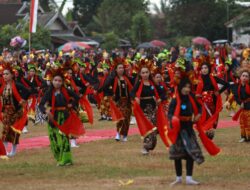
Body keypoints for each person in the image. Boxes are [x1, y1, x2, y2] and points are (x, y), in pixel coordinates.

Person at [39, 68, 80, 166]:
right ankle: (60, 158)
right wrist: (46, 111)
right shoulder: (49, 92)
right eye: (55, 80)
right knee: (55, 139)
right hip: (53, 118)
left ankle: (66, 160)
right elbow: (41, 104)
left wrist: (71, 104)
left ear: (62, 82)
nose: (57, 83)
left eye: (59, 81)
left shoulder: (66, 90)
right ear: (52, 81)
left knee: (64, 138)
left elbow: (77, 97)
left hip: (64, 116)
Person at [168, 78, 204, 186]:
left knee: (190, 153)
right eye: (185, 87)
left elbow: (199, 107)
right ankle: (178, 178)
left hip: (188, 129)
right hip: (178, 130)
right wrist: (173, 119)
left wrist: (199, 114)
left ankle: (189, 178)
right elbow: (169, 114)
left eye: (189, 87)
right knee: (177, 154)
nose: (187, 89)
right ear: (180, 88)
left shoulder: (192, 98)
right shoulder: (175, 100)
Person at [0, 63, 30, 157]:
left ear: (12, 75)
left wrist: (23, 100)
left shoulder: (16, 85)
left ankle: (13, 151)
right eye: (3, 74)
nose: (5, 76)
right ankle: (4, 151)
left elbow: (27, 91)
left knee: (13, 131)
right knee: (5, 131)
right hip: (6, 112)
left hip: (15, 112)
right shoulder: (2, 86)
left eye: (7, 74)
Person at [130, 62, 160, 155]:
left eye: (146, 72)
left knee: (154, 130)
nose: (145, 74)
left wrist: (160, 99)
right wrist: (135, 98)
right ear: (140, 74)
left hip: (153, 109)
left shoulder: (152, 83)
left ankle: (149, 146)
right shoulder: (139, 83)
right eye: (143, 73)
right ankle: (145, 146)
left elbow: (161, 91)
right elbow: (132, 93)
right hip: (144, 109)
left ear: (149, 73)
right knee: (148, 128)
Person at [196, 62, 229, 139]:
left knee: (211, 118)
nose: (204, 70)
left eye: (206, 68)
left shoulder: (213, 78)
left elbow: (226, 84)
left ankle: (209, 135)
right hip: (203, 102)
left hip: (212, 101)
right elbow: (195, 91)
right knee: (204, 118)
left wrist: (219, 92)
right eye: (202, 68)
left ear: (209, 69)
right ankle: (204, 133)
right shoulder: (199, 79)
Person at [102, 59, 132, 141]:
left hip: (127, 101)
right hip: (118, 101)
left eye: (122, 68)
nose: (121, 69)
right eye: (119, 68)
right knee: (120, 117)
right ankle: (118, 133)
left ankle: (125, 135)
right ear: (116, 69)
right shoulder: (113, 78)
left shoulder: (127, 78)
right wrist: (112, 93)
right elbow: (105, 85)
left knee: (127, 118)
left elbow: (133, 87)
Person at [232, 67, 250, 142]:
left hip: (249, 106)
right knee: (242, 122)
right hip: (242, 107)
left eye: (246, 76)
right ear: (240, 77)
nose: (244, 77)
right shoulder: (237, 87)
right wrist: (241, 103)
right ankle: (243, 137)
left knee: (249, 122)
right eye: (243, 76)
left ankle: (249, 137)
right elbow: (236, 97)